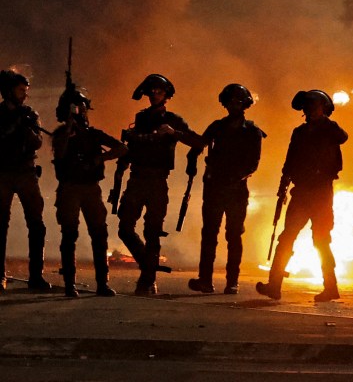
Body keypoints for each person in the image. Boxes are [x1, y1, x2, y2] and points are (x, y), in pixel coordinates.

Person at [256, 89, 348, 302]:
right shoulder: (299, 133)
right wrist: (283, 185)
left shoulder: (330, 130)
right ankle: (274, 285)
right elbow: (290, 161)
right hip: (302, 193)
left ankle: (331, 286)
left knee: (321, 240)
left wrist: (325, 121)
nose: (310, 111)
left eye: (315, 107)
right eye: (307, 108)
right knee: (286, 237)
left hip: (321, 194)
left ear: (323, 109)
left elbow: (343, 137)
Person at [116, 74, 202, 296]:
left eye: (159, 92)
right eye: (151, 92)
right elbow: (130, 150)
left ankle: (147, 280)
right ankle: (148, 265)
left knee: (152, 232)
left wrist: (175, 133)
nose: (154, 95)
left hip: (157, 181)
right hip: (136, 179)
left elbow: (197, 141)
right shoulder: (140, 118)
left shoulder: (173, 119)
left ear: (166, 96)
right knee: (125, 229)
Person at [187, 84, 266, 295]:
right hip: (214, 189)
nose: (233, 105)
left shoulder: (252, 131)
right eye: (230, 101)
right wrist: (190, 154)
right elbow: (199, 143)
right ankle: (205, 280)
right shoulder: (217, 127)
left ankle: (232, 282)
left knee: (234, 236)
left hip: (236, 191)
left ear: (244, 104)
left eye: (238, 102)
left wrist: (234, 178)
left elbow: (253, 164)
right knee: (209, 235)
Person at [52, 89, 127, 297]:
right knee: (69, 234)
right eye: (78, 108)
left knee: (99, 234)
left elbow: (121, 148)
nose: (81, 112)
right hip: (69, 188)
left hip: (91, 187)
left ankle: (102, 283)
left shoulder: (93, 134)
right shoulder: (61, 134)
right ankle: (69, 284)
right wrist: (69, 126)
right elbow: (59, 152)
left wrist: (99, 159)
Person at [0, 70, 52, 293]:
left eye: (25, 91)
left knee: (36, 224)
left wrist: (26, 127)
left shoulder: (30, 114)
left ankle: (36, 276)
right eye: (21, 91)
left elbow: (37, 143)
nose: (24, 95)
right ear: (9, 90)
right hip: (2, 173)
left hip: (26, 172)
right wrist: (13, 126)